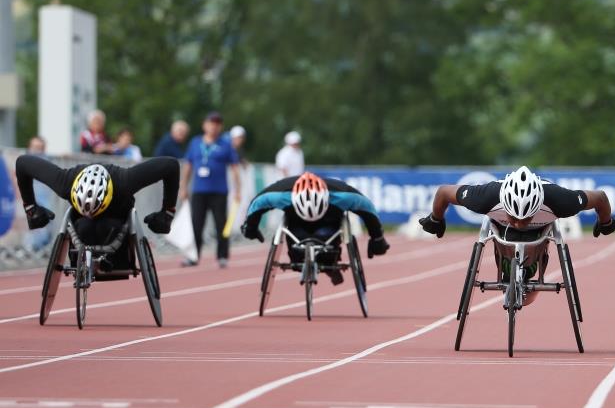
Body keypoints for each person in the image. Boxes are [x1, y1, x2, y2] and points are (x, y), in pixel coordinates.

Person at [419, 166, 615, 304]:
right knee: (505, 236)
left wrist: (606, 222)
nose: (519, 223)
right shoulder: (485, 197)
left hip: (540, 230)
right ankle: (508, 270)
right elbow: (444, 192)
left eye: (526, 218)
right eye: (514, 216)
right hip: (501, 228)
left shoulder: (560, 200)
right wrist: (436, 219)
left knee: (534, 246)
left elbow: (600, 197)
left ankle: (530, 274)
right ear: (505, 205)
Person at [15, 154, 179, 258]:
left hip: (116, 216)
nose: (92, 215)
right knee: (85, 225)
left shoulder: (125, 181)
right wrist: (31, 208)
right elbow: (22, 163)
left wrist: (167, 212)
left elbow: (171, 165)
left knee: (105, 226)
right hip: (81, 223)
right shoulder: (65, 182)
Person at [240, 172, 390, 284]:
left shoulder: (343, 195)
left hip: (329, 225)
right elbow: (256, 204)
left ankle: (330, 263)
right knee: (297, 242)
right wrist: (250, 228)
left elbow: (369, 210)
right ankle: (302, 259)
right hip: (296, 225)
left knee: (326, 238)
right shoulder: (280, 194)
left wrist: (377, 238)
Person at [179, 112, 241, 268]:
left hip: (219, 191)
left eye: (217, 123)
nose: (214, 126)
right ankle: (193, 256)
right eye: (211, 123)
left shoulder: (226, 144)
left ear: (220, 126)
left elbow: (235, 168)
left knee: (221, 224)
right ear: (204, 125)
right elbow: (188, 165)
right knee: (196, 224)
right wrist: (183, 187)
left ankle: (222, 256)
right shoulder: (195, 142)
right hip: (199, 190)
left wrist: (238, 190)